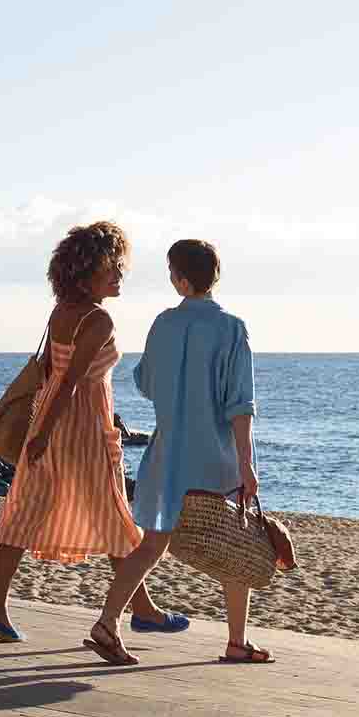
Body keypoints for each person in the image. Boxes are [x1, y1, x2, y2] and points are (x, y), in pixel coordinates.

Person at [0, 221, 178, 656]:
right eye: (113, 267)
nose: (120, 275)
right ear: (88, 269)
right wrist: (45, 434)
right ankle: (138, 611)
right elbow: (70, 382)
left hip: (51, 418)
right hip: (79, 424)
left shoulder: (60, 312)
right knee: (111, 513)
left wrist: (39, 431)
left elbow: (52, 374)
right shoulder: (98, 318)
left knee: (28, 508)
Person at [100, 239, 271, 663]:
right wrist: (248, 464)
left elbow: (145, 383)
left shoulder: (163, 323)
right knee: (235, 547)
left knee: (151, 546)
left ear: (179, 278)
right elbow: (240, 404)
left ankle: (106, 622)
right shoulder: (232, 327)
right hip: (214, 457)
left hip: (167, 455)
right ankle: (236, 642)